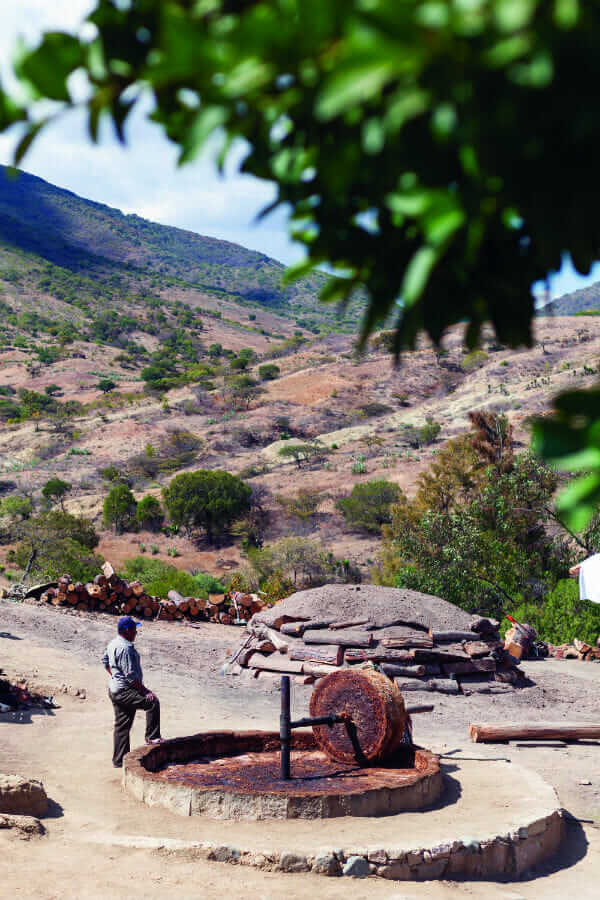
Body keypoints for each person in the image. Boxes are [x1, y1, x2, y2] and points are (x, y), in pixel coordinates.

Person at [102, 616, 162, 768]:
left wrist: (115, 676)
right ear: (127, 631)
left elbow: (105, 662)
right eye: (134, 629)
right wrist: (145, 691)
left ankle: (119, 761)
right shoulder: (125, 648)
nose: (136, 632)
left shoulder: (113, 643)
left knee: (122, 726)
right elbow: (130, 677)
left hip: (115, 689)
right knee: (152, 702)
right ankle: (152, 737)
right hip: (124, 691)